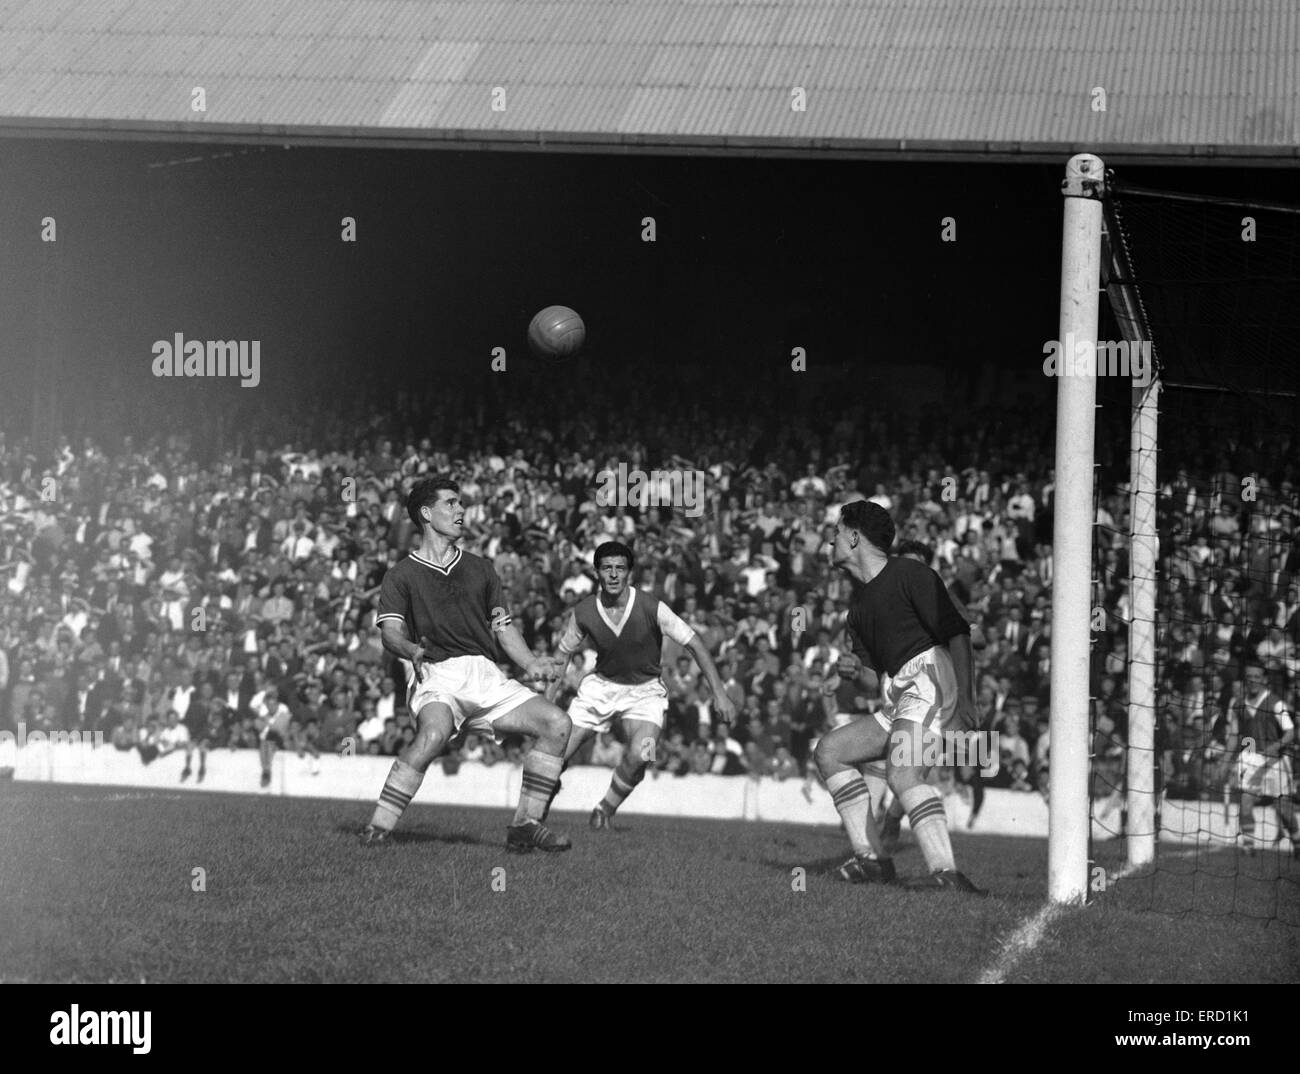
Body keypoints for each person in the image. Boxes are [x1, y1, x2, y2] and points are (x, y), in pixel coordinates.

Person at [360, 476, 573, 852]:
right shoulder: (401, 575)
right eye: (452, 503)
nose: (461, 511)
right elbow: (390, 633)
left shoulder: (481, 568)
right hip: (438, 674)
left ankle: (525, 825)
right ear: (426, 513)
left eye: (461, 504)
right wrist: (409, 649)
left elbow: (502, 627)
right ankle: (377, 830)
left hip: (486, 675)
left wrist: (531, 662)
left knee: (557, 724)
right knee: (432, 736)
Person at [814, 501, 984, 893]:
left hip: (929, 680)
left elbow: (957, 633)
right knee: (829, 752)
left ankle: (948, 876)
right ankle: (873, 860)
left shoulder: (910, 573)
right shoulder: (856, 611)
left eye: (836, 532)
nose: (830, 540)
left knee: (902, 773)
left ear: (854, 537)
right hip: (898, 695)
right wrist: (855, 675)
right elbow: (876, 681)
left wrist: (966, 704)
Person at [544, 541, 735, 828]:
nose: (613, 575)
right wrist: (547, 702)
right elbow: (562, 656)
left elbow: (695, 643)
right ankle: (537, 810)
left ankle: (604, 810)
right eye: (606, 568)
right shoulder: (583, 611)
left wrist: (719, 694)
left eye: (620, 568)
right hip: (601, 687)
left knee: (643, 753)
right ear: (596, 572)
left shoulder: (651, 606)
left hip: (645, 692)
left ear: (629, 573)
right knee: (553, 755)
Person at [1234, 663, 1297, 855]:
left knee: (1282, 809)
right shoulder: (1238, 704)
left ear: (1264, 679)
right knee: (1245, 802)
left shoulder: (1275, 703)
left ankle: (1297, 841)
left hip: (1275, 762)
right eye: (1249, 676)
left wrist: (1275, 746)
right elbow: (1241, 735)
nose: (1252, 679)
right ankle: (1248, 847)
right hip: (1251, 759)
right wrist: (1237, 758)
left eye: (1257, 676)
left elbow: (1290, 732)